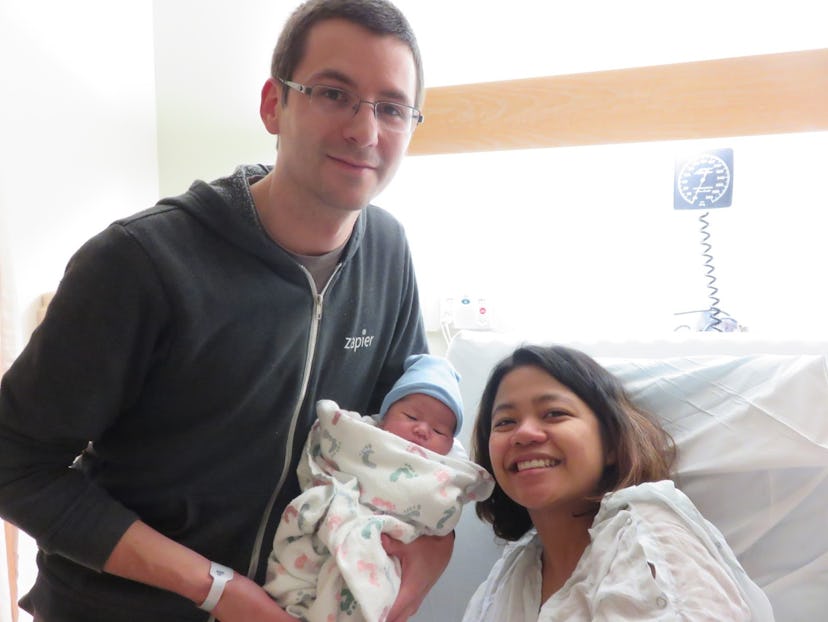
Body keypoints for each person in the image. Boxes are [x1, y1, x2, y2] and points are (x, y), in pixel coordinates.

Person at [0, 1, 454, 621]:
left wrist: (435, 547)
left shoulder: (388, 252)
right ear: (274, 104)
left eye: (392, 108)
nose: (366, 131)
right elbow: (15, 462)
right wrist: (215, 588)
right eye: (333, 93)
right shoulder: (141, 263)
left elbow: (392, 439)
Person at [462, 345, 775, 622]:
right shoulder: (510, 575)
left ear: (611, 443)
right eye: (505, 422)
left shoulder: (651, 540)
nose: (525, 433)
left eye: (554, 413)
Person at [264, 354, 494, 622]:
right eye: (411, 416)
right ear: (384, 417)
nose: (422, 430)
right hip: (330, 520)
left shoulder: (447, 471)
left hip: (388, 545)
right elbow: (329, 447)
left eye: (440, 430)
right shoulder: (358, 434)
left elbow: (441, 514)